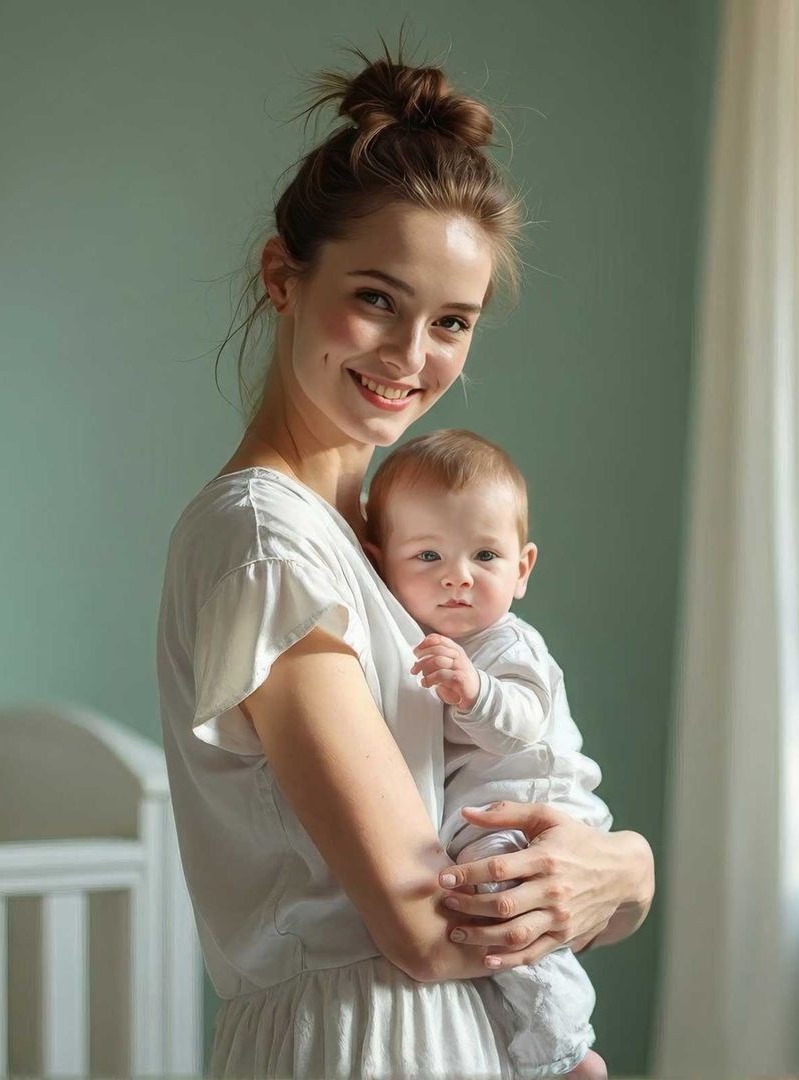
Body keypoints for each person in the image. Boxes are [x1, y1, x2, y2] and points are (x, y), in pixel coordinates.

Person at [155, 44, 656, 1077]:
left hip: (456, 1036)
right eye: (376, 298)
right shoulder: (268, 544)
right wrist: (627, 872)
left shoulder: (384, 552)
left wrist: (627, 876)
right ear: (281, 278)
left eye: (452, 322)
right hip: (360, 1045)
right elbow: (426, 926)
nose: (409, 357)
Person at [365, 428, 611, 1079]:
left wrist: (472, 691)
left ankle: (567, 1052)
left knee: (512, 916)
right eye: (426, 557)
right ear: (380, 562)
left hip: (535, 805)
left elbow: (520, 724)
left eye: (485, 555)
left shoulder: (507, 646)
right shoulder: (419, 644)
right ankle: (529, 1045)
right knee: (489, 930)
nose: (458, 577)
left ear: (522, 569)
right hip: (487, 817)